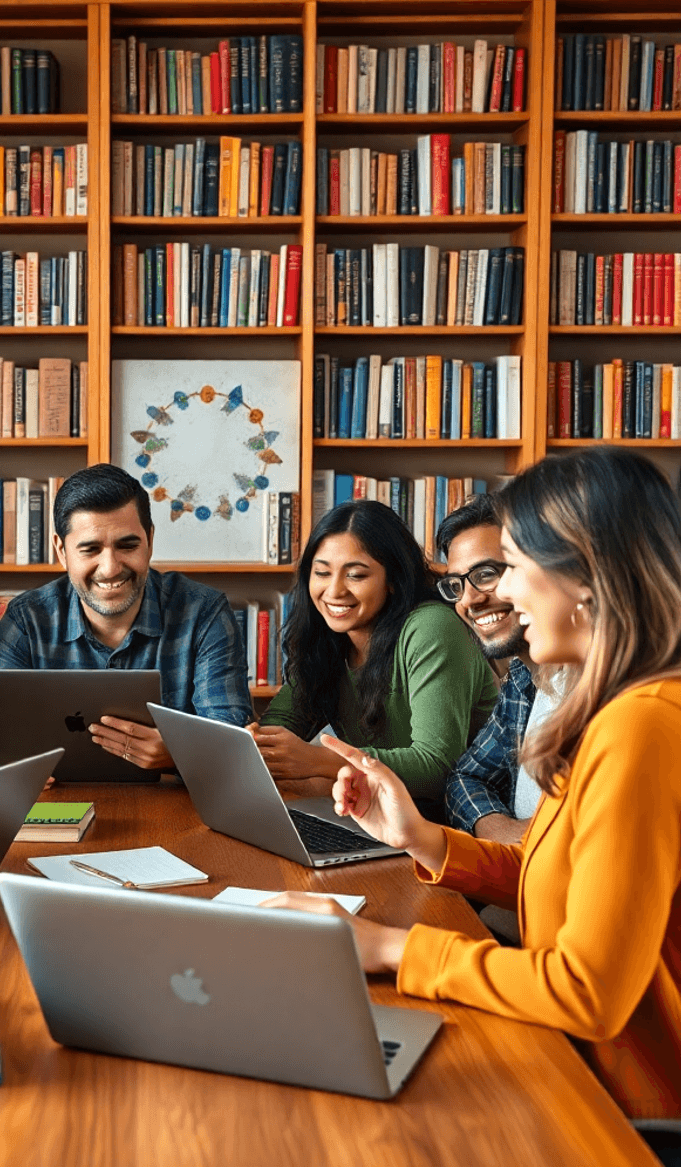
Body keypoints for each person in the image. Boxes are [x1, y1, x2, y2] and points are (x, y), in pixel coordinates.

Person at [266, 448, 681, 1137]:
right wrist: (420, 838)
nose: (501, 597)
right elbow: (566, 878)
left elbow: (586, 993)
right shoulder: (612, 710)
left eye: (512, 565)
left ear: (587, 572)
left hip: (621, 1109)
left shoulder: (643, 727)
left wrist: (390, 949)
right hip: (565, 1060)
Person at [0, 464, 253, 771]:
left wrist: (178, 751)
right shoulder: (25, 620)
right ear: (61, 551)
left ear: (150, 541)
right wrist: (7, 757)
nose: (110, 567)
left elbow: (231, 735)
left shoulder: (204, 612)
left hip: (174, 805)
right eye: (90, 549)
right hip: (52, 803)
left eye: (127, 546)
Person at [253, 500, 497, 805]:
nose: (334, 591)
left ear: (392, 579)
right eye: (322, 573)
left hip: (453, 825)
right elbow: (280, 725)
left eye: (355, 575)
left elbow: (436, 767)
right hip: (382, 816)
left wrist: (318, 762)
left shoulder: (432, 627)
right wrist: (258, 743)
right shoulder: (328, 639)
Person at [436, 494, 551, 842]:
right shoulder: (522, 680)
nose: (469, 600)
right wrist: (506, 832)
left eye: (487, 574)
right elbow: (465, 778)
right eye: (457, 585)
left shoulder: (607, 693)